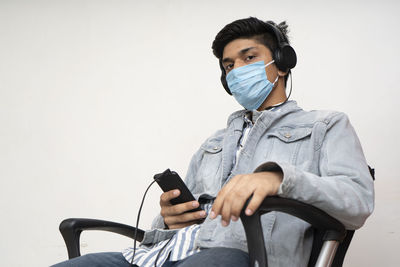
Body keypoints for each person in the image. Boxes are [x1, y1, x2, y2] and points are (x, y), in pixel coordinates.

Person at [52, 17, 374, 267]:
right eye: (229, 65)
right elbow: (180, 221)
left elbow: (357, 200)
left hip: (245, 256)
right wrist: (168, 218)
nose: (236, 71)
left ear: (281, 61)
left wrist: (277, 179)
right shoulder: (213, 144)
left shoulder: (325, 126)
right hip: (165, 255)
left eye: (249, 58)